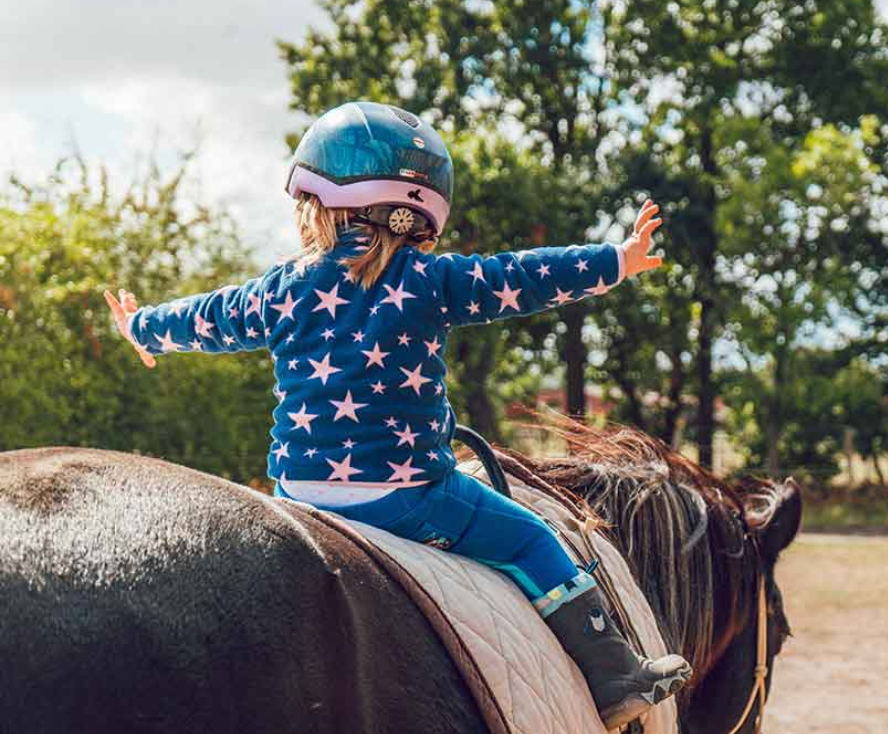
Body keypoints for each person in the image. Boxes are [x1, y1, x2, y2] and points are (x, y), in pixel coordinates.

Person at [105, 101, 690, 728]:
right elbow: (522, 275)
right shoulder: (430, 280)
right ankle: (614, 675)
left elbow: (211, 317)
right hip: (408, 497)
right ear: (419, 214)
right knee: (530, 538)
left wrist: (143, 328)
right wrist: (617, 261)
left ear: (315, 203)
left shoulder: (280, 287)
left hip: (298, 496)